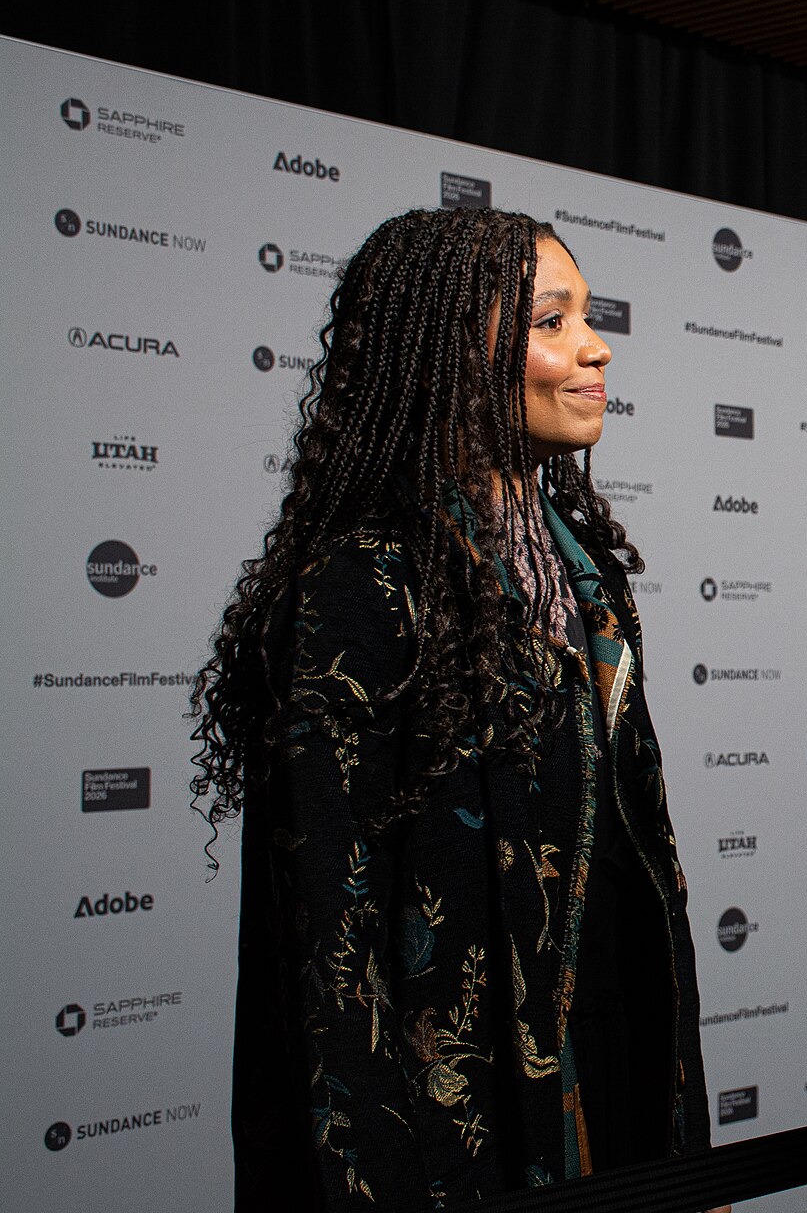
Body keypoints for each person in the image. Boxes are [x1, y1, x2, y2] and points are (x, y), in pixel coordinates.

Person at [191, 207, 709, 1209]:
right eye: (550, 321)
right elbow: (330, 947)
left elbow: (638, 872)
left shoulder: (587, 570)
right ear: (447, 356)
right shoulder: (357, 586)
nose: (595, 347)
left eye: (587, 317)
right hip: (448, 1131)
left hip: (605, 1070)